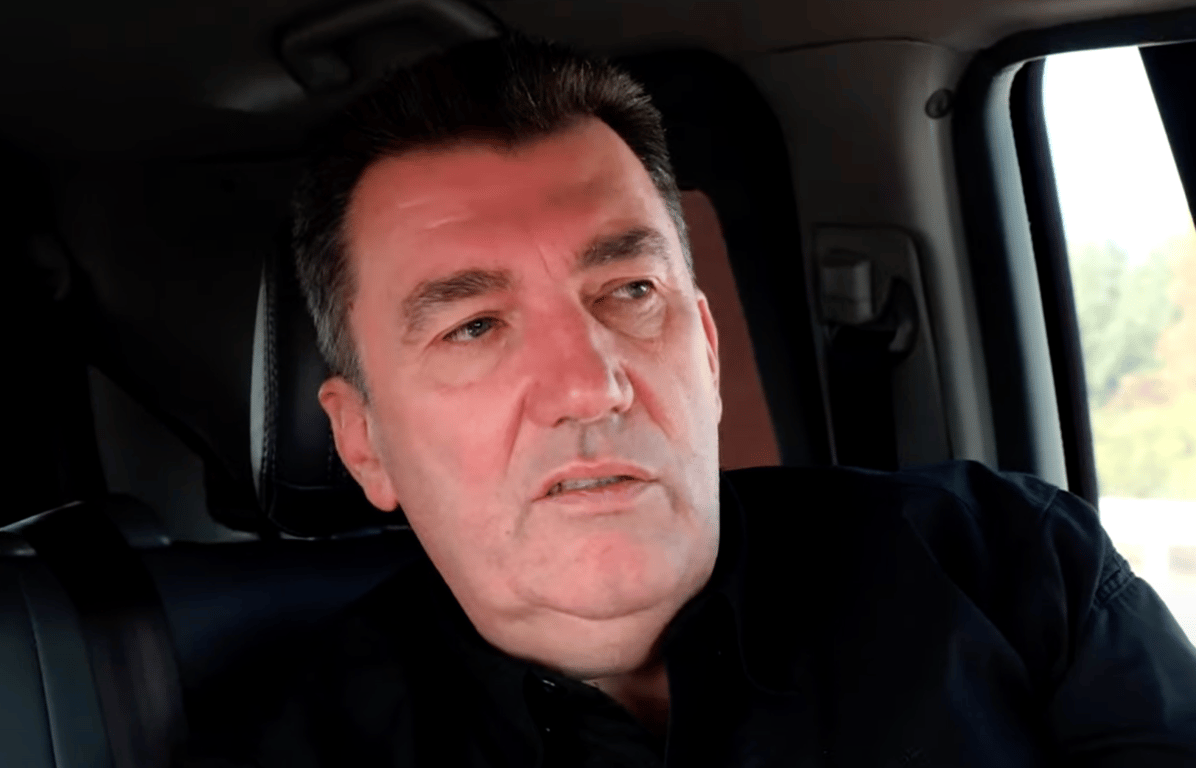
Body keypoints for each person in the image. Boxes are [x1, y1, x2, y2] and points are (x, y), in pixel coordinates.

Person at [245, 33, 1196, 767]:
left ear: (704, 348)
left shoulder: (1010, 572)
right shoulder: (290, 750)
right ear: (363, 443)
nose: (591, 386)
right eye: (475, 327)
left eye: (629, 291)